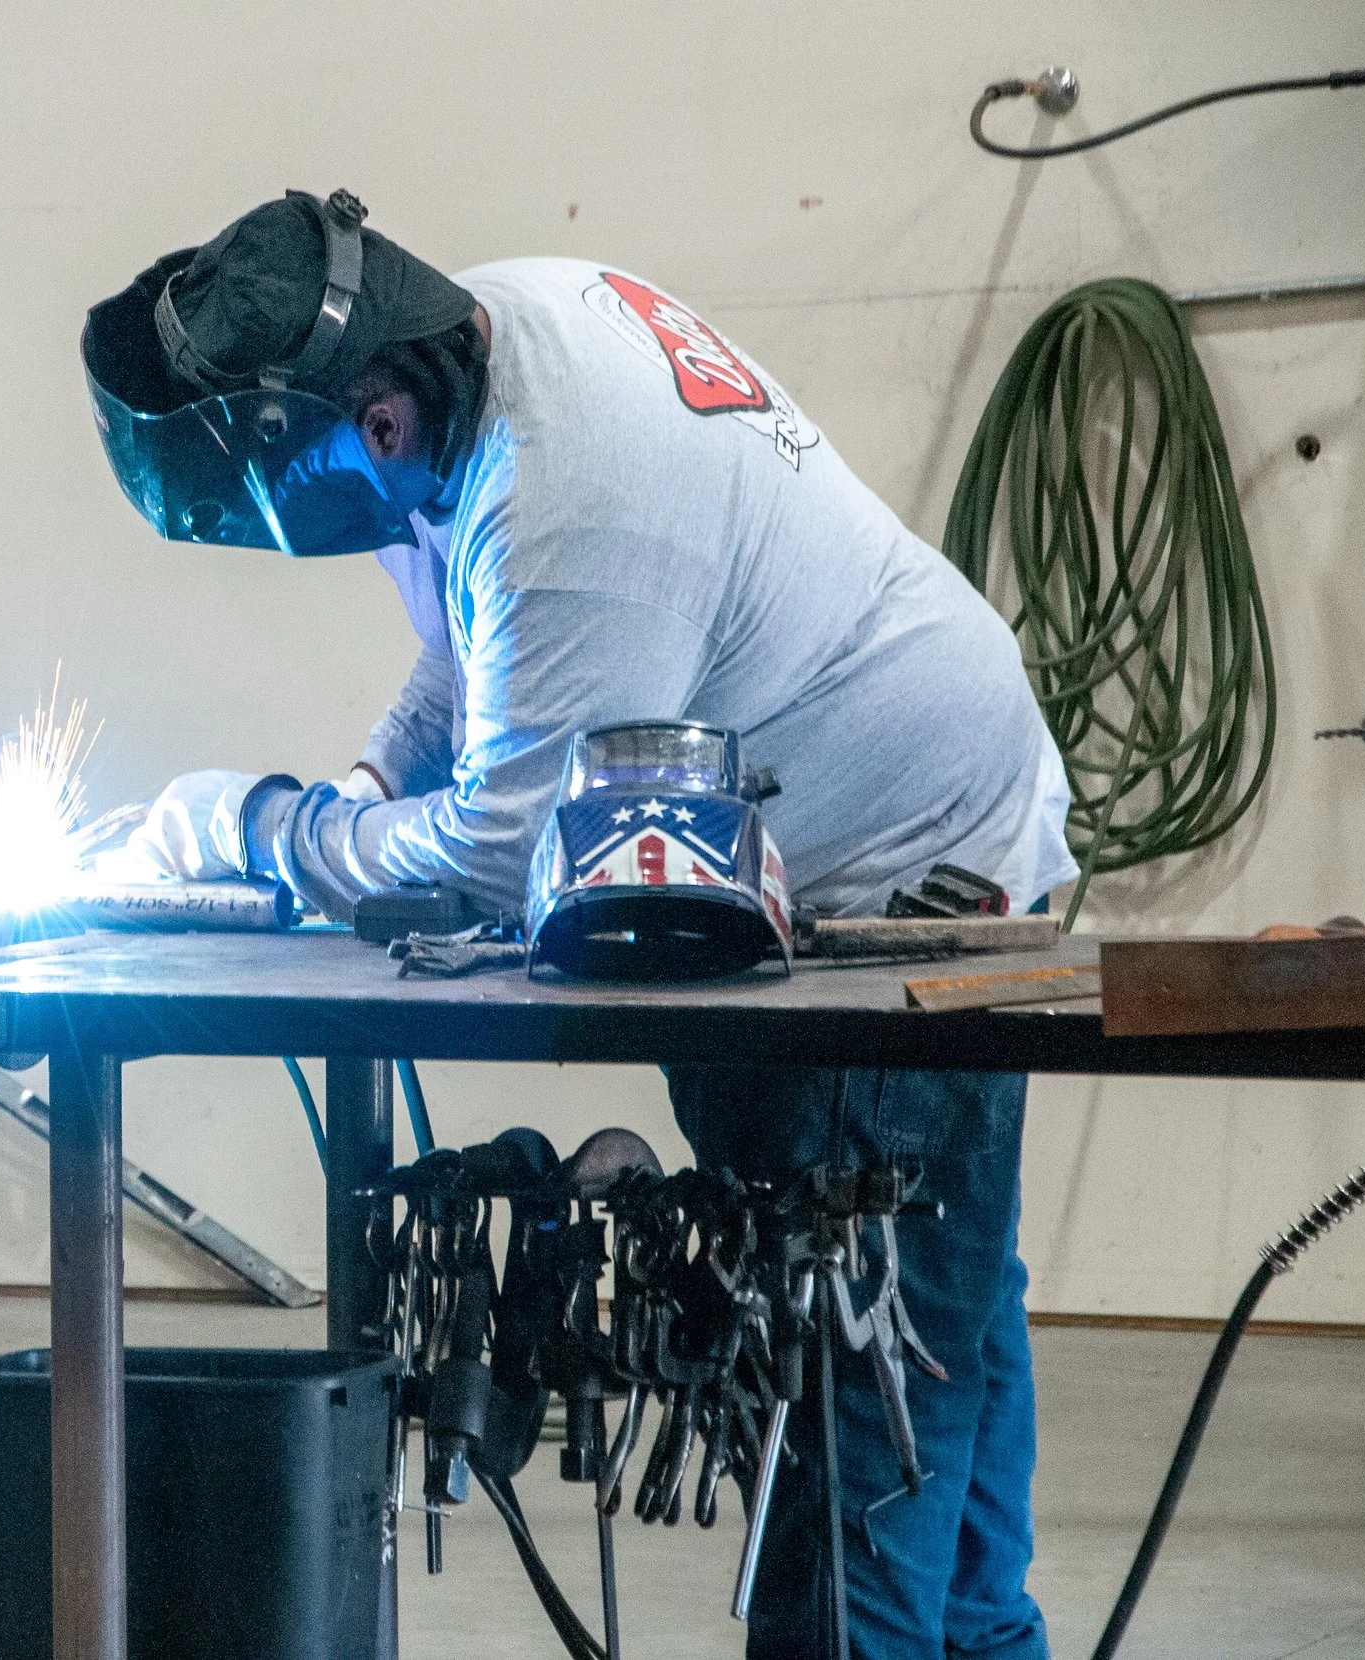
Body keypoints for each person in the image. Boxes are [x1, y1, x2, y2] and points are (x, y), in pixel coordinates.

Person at [85, 190, 1074, 1660]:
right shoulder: (479, 338)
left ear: (373, 421)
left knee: (864, 1369)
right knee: (949, 1319)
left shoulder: (571, 503)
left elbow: (506, 855)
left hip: (892, 878)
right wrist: (368, 785)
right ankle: (985, 1643)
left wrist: (261, 830)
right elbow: (470, 638)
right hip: (917, 793)